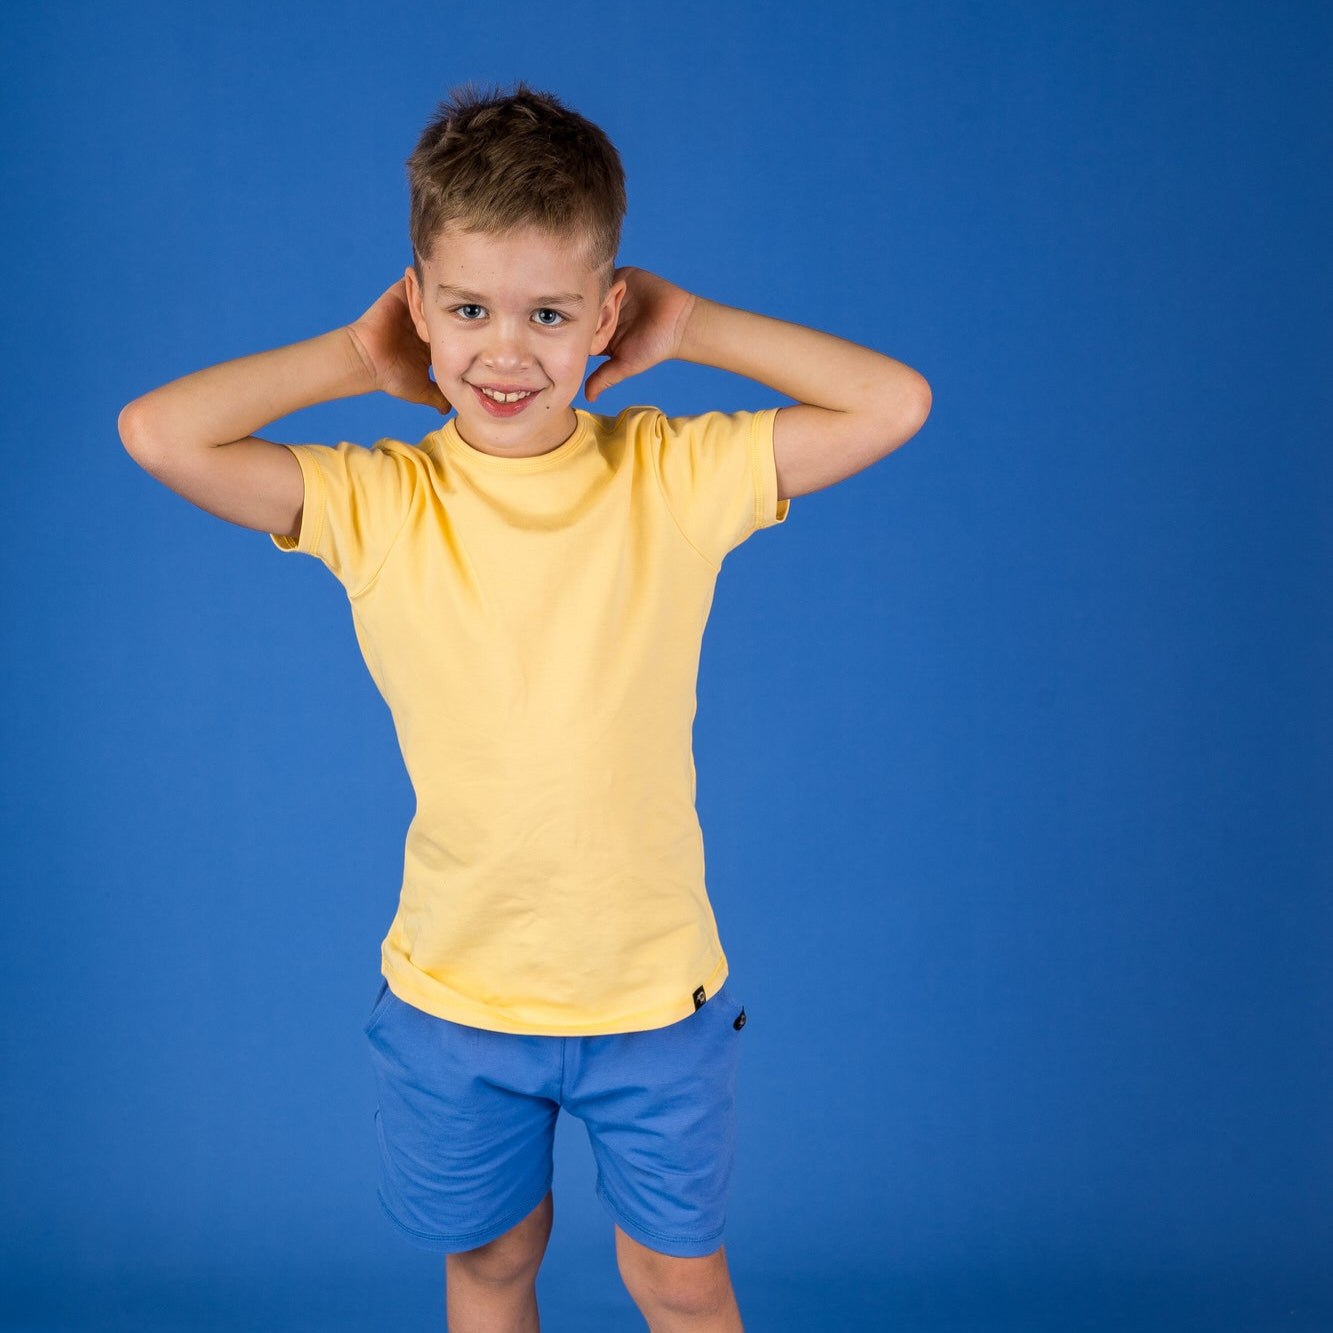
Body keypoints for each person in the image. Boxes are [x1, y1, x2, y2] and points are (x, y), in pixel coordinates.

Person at [118, 81, 931, 1333]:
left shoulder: (670, 474)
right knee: (493, 1269)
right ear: (419, 308)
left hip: (651, 997)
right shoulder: (380, 500)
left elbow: (893, 403)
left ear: (607, 312)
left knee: (677, 1282)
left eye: (550, 313)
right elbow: (160, 433)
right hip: (458, 994)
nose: (507, 351)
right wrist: (351, 357)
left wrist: (696, 324)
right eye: (470, 310)